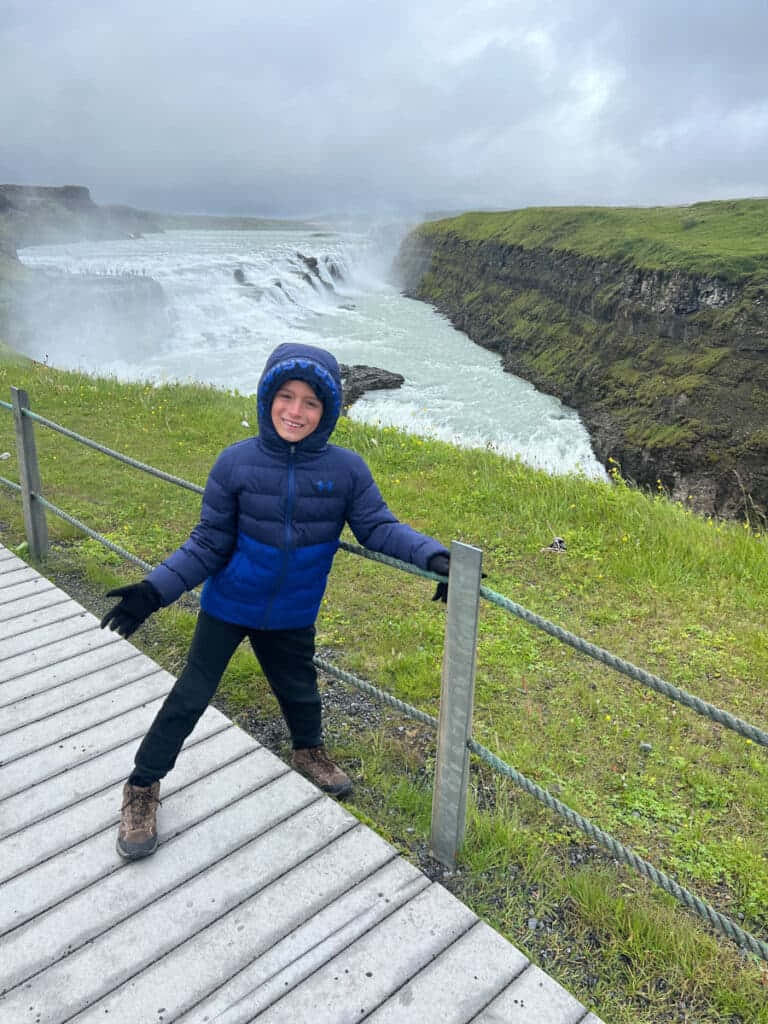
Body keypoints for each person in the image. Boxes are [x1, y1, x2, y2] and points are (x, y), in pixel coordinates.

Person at [101, 342, 451, 861]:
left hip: (292, 612)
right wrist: (153, 592)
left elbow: (378, 527)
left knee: (300, 691)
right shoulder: (236, 463)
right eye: (286, 396)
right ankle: (142, 786)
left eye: (311, 402)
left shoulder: (347, 470)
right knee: (190, 698)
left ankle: (309, 751)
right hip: (228, 606)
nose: (296, 411)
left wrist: (437, 558)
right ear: (267, 398)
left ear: (330, 410)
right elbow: (208, 543)